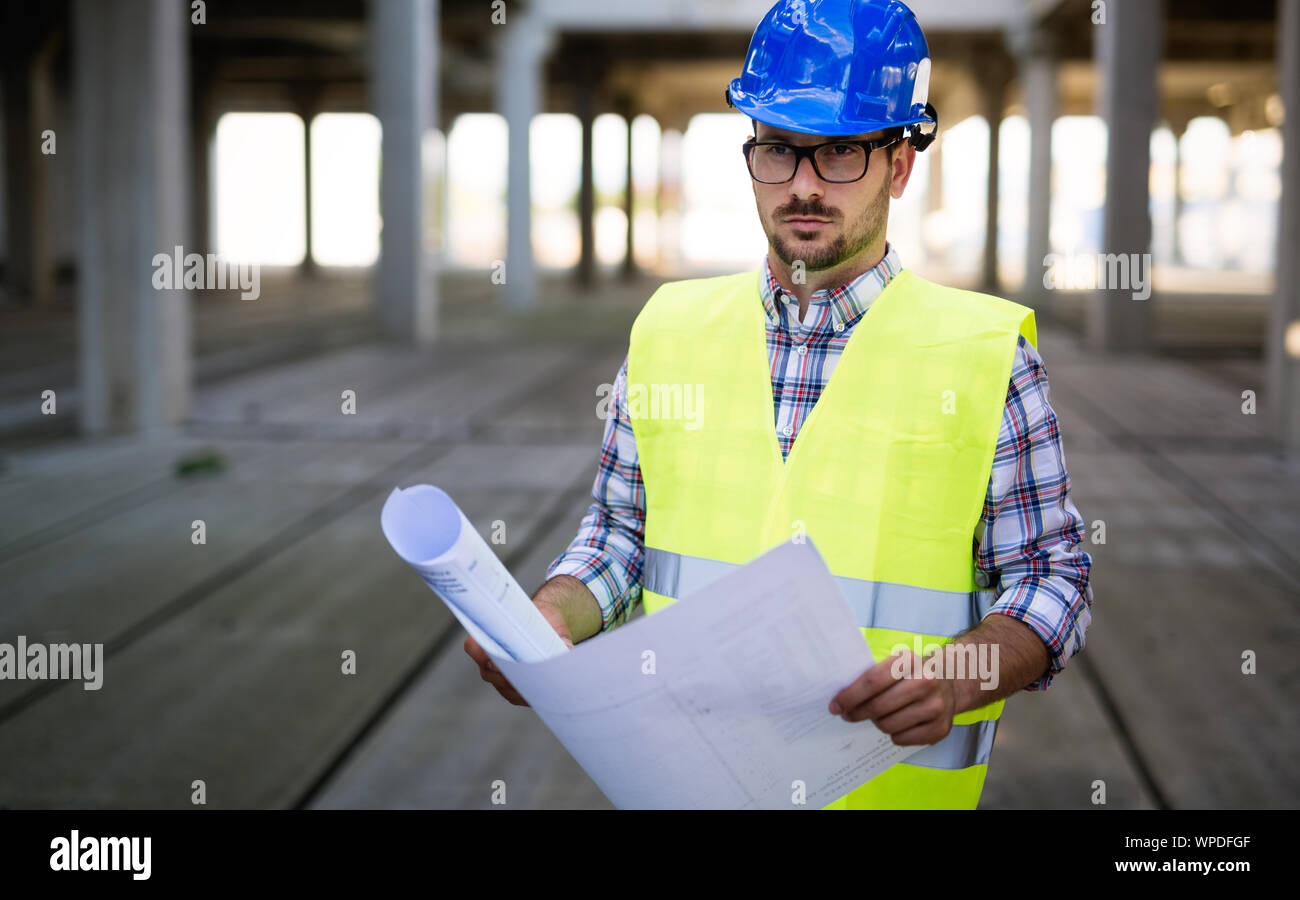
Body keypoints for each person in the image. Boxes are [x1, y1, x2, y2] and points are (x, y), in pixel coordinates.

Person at [465, 0, 1093, 809]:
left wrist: (956, 676)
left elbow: (1052, 576)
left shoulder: (987, 356)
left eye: (838, 155)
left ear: (900, 166)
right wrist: (550, 617)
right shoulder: (668, 330)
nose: (801, 186)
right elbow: (621, 537)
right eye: (780, 150)